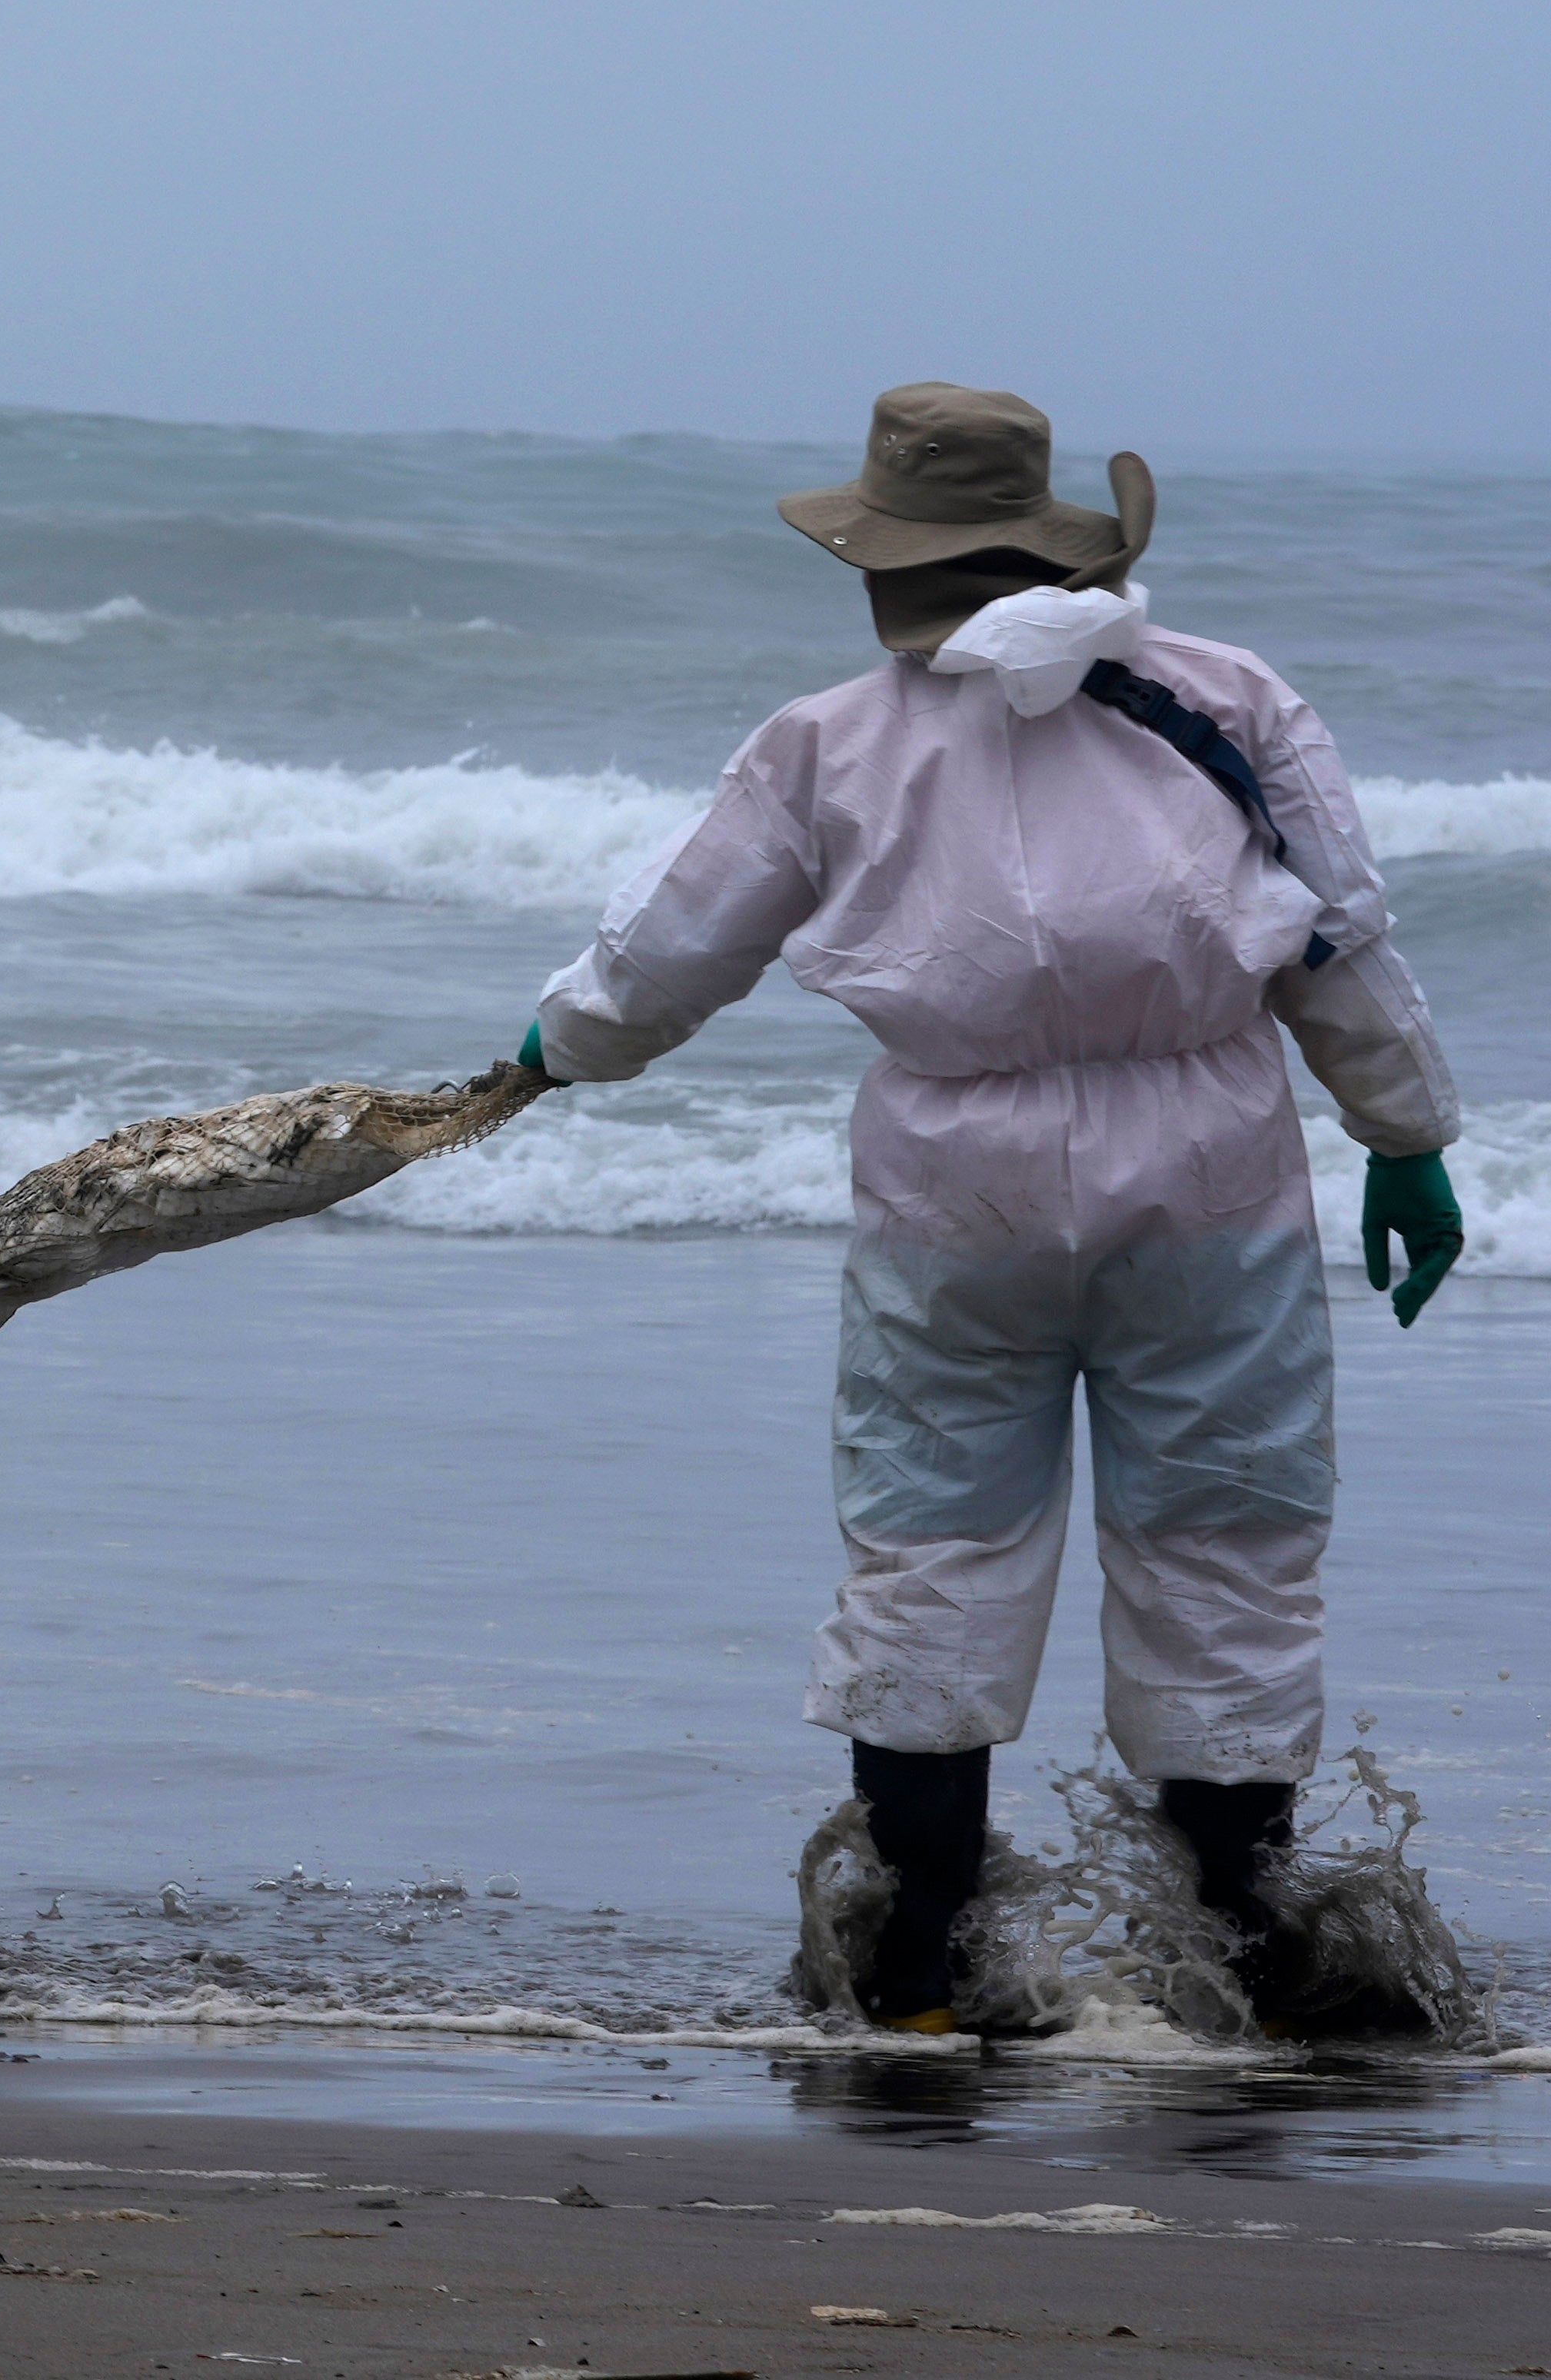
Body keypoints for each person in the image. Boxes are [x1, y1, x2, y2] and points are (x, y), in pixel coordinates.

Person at [521, 384, 1464, 2034]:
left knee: (932, 1541)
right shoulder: (1223, 696)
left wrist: (551, 1048)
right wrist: (1403, 1130)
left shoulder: (827, 739)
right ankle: (1232, 1960)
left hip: (950, 1178)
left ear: (882, 560)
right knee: (1221, 1539)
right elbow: (1337, 932)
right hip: (1209, 1161)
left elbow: (670, 946)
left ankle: (915, 1966)